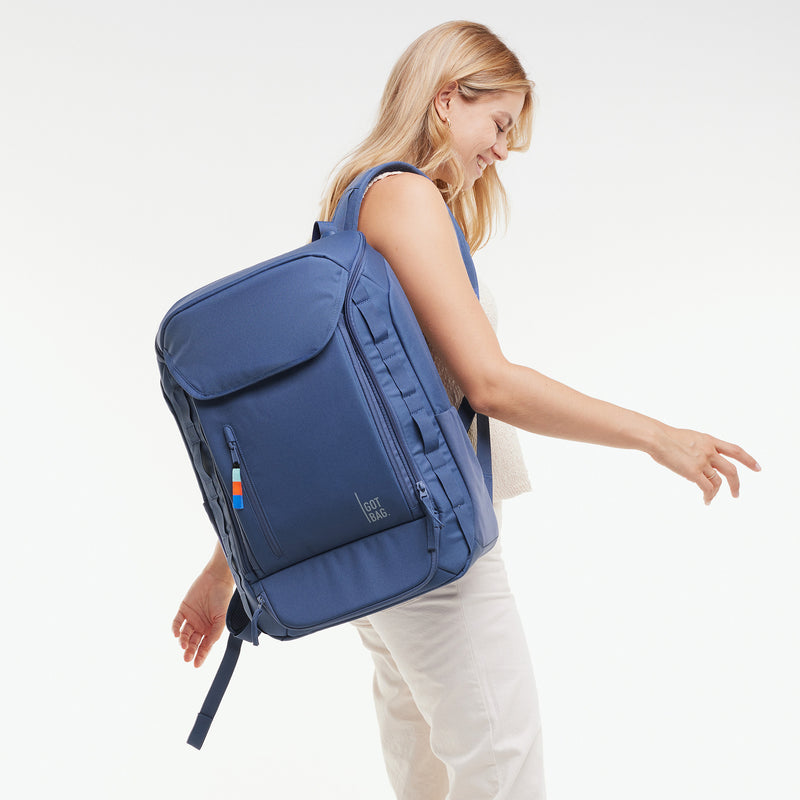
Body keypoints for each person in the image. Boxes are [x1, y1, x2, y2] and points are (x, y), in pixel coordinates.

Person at [172, 20, 760, 800]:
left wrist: (222, 573)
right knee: (501, 767)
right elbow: (491, 384)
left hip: (383, 538)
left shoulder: (352, 206)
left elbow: (313, 421)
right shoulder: (404, 197)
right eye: (500, 123)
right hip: (431, 546)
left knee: (429, 776)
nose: (504, 149)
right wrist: (657, 436)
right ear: (447, 100)